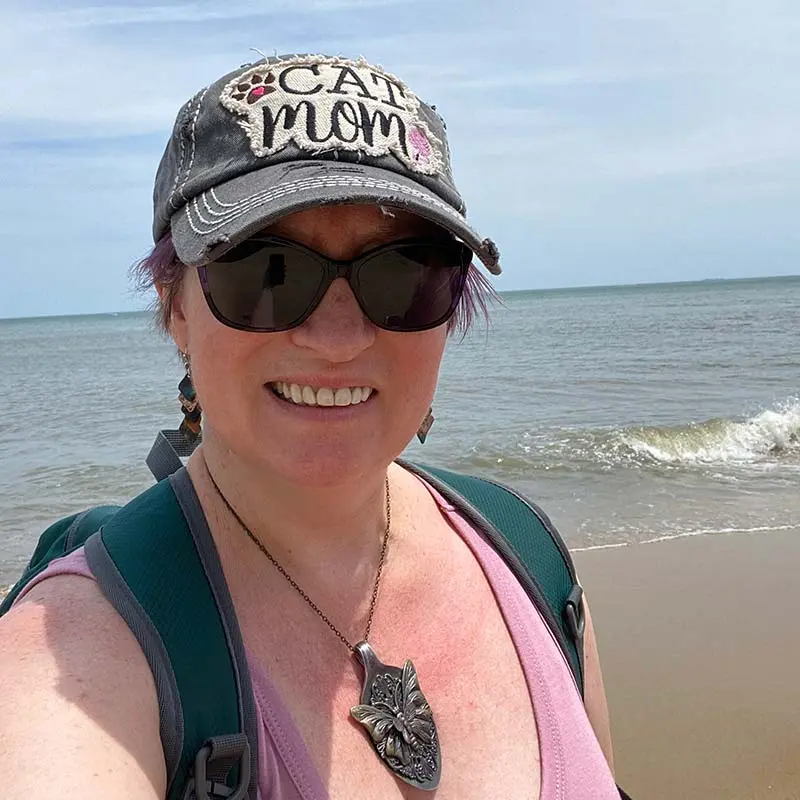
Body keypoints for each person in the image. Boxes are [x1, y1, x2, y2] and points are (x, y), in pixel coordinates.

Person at [0, 54, 619, 799]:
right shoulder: (75, 654)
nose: (337, 337)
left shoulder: (531, 560)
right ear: (176, 307)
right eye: (266, 270)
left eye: (402, 272)